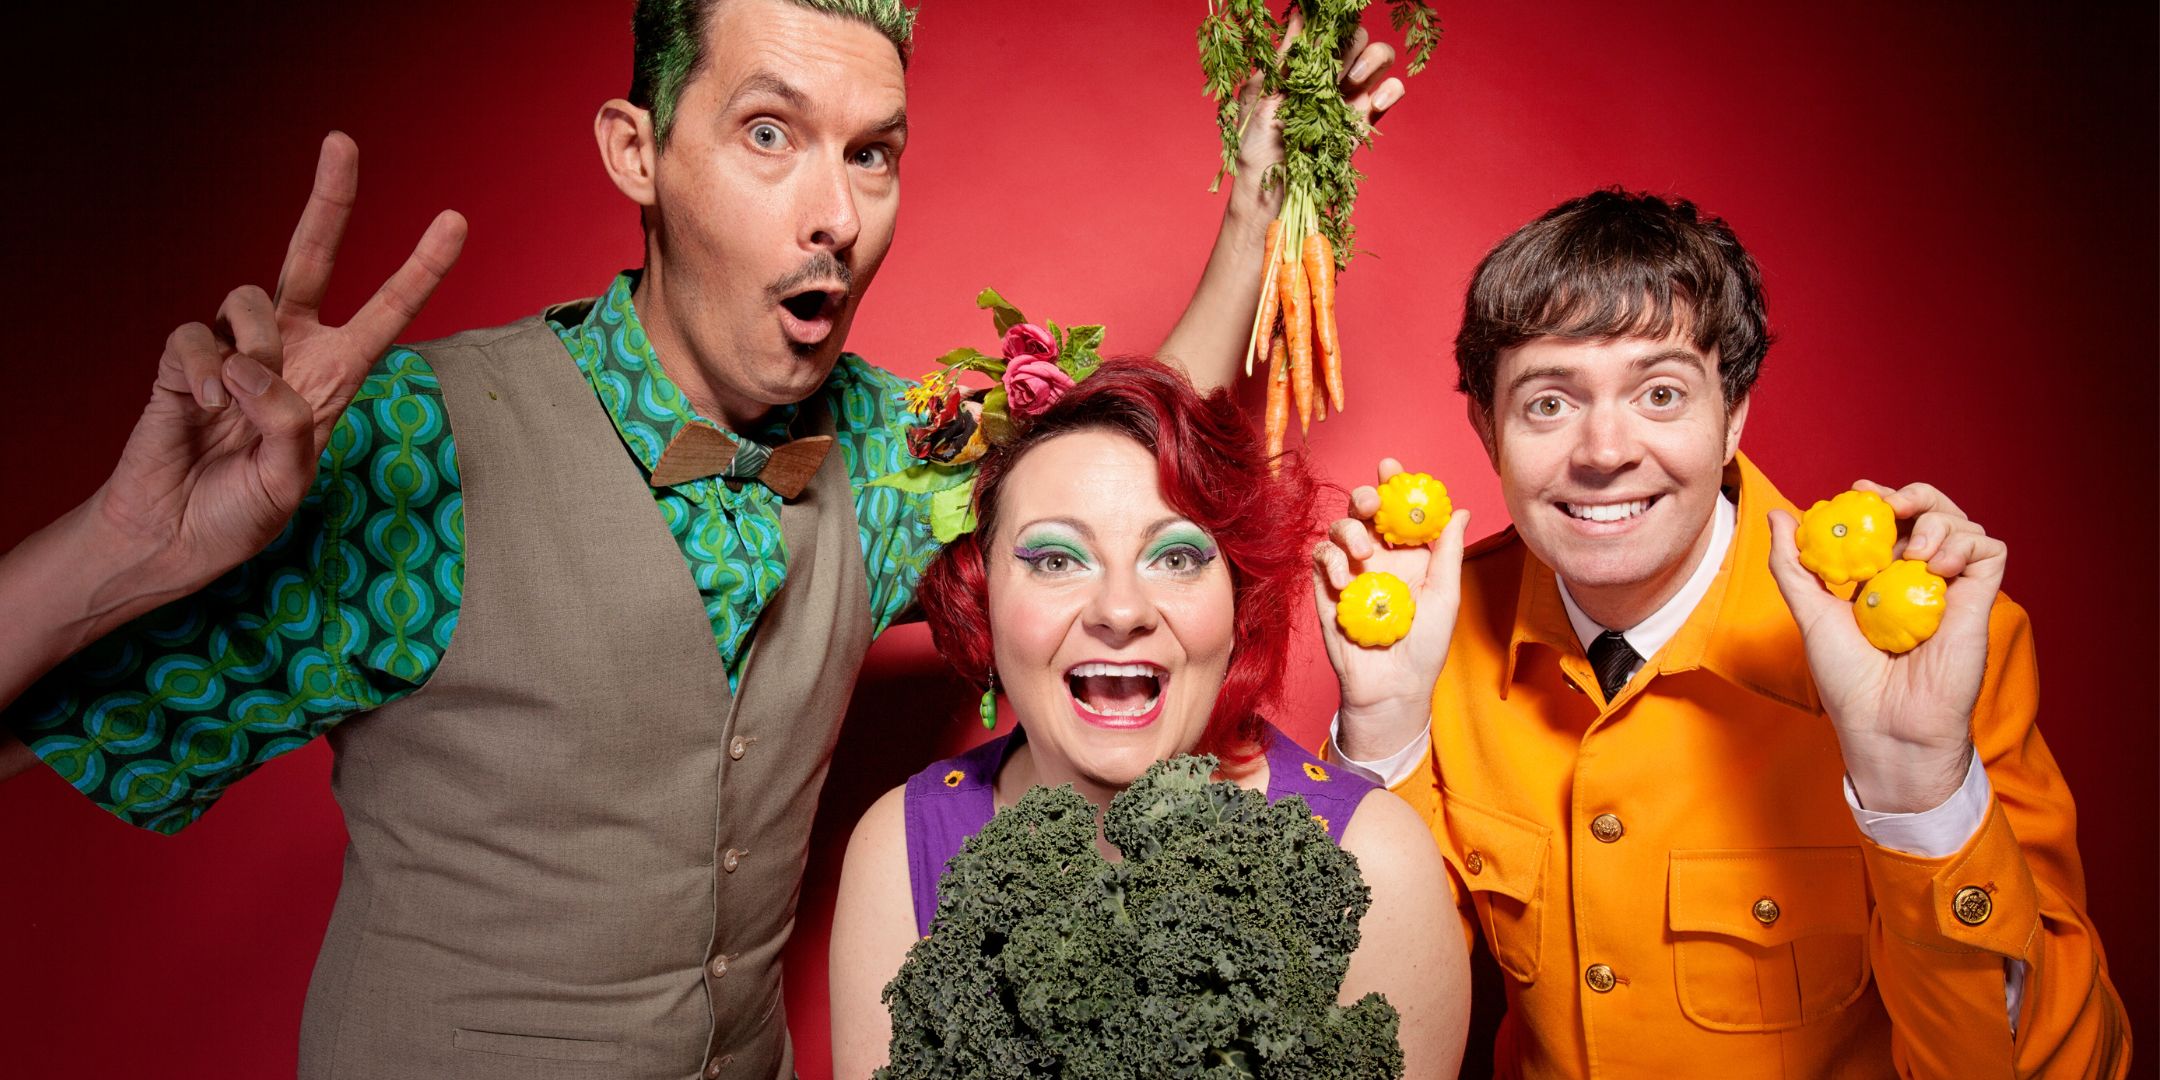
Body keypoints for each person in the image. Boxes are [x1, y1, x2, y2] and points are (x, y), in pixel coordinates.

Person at [0, 2, 1410, 1078]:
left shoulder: (878, 444)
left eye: (873, 155)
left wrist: (1258, 211)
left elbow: (1112, 481)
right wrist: (123, 551)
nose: (835, 215)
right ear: (639, 152)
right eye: (769, 135)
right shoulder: (420, 443)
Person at [1315, 190, 2129, 1076]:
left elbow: (2066, 1065)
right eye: (1549, 403)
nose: (1604, 450)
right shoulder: (1432, 634)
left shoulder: (1925, 650)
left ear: (1734, 413)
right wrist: (1382, 737)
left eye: (1660, 392)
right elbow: (1367, 1028)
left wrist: (1921, 797)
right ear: (1487, 428)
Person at [826, 357, 1470, 1079]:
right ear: (983, 602)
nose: (1121, 611)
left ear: (1237, 602)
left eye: (1176, 556)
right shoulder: (902, 848)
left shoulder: (1375, 862)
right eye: (1055, 560)